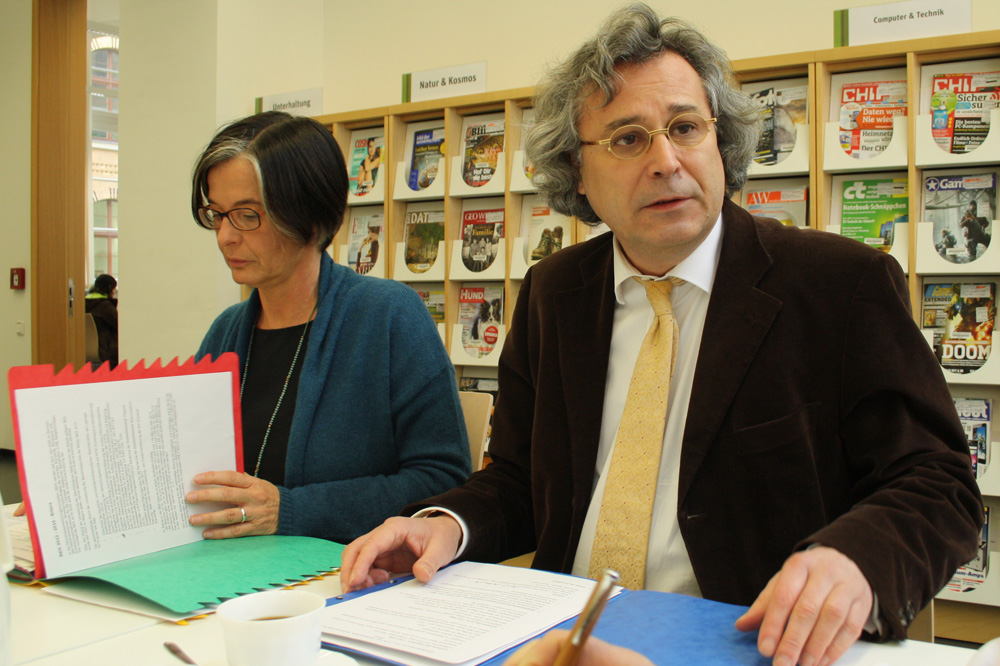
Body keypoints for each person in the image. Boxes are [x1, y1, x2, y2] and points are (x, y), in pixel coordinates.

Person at [341, 6, 982, 666]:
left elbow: (939, 484)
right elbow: (519, 480)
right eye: (628, 139)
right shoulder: (553, 293)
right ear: (577, 170)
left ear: (720, 142)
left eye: (685, 128)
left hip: (747, 641)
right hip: (566, 639)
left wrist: (856, 560)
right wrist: (444, 525)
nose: (667, 160)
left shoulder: (840, 284)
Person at [185, 111, 471, 545]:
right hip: (228, 569)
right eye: (217, 214)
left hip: (349, 571)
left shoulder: (389, 317)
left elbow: (443, 481)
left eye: (247, 215)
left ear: (310, 218)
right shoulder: (225, 333)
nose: (225, 236)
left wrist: (292, 510)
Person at [85, 273, 118, 367]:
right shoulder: (105, 306)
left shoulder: (83, 303)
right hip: (105, 351)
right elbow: (119, 325)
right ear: (109, 288)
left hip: (85, 349)